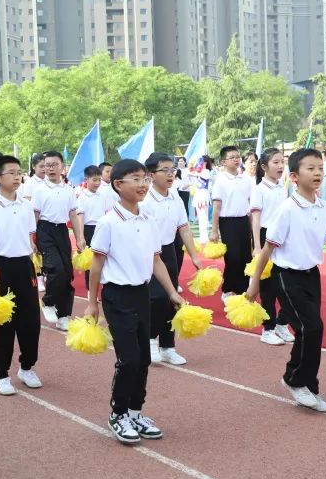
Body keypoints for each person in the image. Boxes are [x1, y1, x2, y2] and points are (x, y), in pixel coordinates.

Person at [246, 148, 326, 413]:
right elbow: (268, 249)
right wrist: (254, 282)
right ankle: (295, 379)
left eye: (320, 168)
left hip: (312, 276)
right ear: (294, 176)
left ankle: (309, 385)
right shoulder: (286, 209)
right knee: (310, 328)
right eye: (310, 168)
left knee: (313, 330)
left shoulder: (325, 208)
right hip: (286, 276)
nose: (317, 173)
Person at [84, 158, 185, 444]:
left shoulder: (148, 219)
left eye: (145, 179)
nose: (143, 184)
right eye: (136, 179)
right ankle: (118, 413)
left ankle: (135, 411)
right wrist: (94, 303)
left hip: (142, 295)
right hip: (117, 296)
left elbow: (156, 260)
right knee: (128, 359)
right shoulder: (107, 223)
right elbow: (96, 265)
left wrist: (172, 292)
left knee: (142, 359)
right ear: (118, 185)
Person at [0, 155, 42, 395]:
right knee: (3, 323)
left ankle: (26, 367)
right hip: (0, 268)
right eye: (11, 173)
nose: (17, 176)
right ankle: (2, 373)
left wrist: (34, 264)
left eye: (19, 172)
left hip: (24, 267)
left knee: (31, 321)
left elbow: (29, 238)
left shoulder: (25, 204)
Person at [140, 152, 201, 365]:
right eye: (164, 170)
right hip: (148, 254)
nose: (169, 174)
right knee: (155, 298)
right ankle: (149, 340)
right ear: (150, 175)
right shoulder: (145, 200)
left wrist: (194, 255)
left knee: (171, 299)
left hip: (169, 251)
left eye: (172, 170)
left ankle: (168, 345)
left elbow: (183, 227)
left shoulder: (175, 195)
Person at [33, 151, 85, 331]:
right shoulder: (39, 190)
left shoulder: (69, 190)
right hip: (45, 230)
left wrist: (79, 238)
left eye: (54, 164)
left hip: (62, 231)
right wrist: (32, 239)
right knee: (56, 269)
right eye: (47, 165)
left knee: (67, 274)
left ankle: (63, 315)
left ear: (63, 167)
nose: (50, 168)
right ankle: (48, 301)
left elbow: (73, 214)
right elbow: (35, 216)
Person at [250, 148, 293, 345]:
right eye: (275, 162)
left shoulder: (282, 188)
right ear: (265, 166)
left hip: (282, 237)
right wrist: (257, 246)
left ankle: (282, 324)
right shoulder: (259, 189)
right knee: (268, 287)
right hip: (265, 235)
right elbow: (256, 218)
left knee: (287, 285)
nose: (280, 166)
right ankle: (267, 329)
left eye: (282, 162)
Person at [210, 146, 254, 300]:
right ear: (223, 162)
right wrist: (214, 230)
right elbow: (216, 207)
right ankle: (227, 289)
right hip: (227, 222)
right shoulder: (220, 180)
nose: (237, 159)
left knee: (246, 257)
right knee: (233, 257)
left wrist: (253, 226)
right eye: (232, 157)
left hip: (243, 221)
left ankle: (242, 289)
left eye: (238, 156)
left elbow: (250, 203)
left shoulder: (245, 179)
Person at [192, 156, 214, 241]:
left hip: (204, 195)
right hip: (198, 195)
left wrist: (194, 172)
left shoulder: (207, 171)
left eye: (202, 161)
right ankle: (202, 236)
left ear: (205, 163)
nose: (201, 163)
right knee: (200, 217)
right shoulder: (198, 172)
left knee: (204, 216)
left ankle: (205, 237)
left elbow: (206, 177)